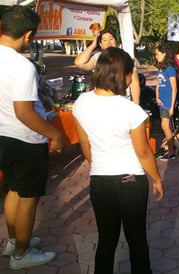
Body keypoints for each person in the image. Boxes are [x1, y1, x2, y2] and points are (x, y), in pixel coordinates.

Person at [73, 47, 164, 274]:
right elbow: (143, 153)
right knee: (136, 241)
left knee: (106, 240)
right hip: (131, 181)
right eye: (130, 74)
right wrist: (157, 179)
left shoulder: (81, 103)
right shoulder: (131, 110)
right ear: (122, 75)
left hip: (99, 181)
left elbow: (85, 146)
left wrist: (102, 163)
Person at [0, 5, 64, 270]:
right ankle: (21, 255)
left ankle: (15, 242)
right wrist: (54, 134)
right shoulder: (22, 66)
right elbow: (25, 112)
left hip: (3, 136)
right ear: (28, 35)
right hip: (25, 139)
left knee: (14, 190)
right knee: (28, 198)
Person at [74, 28, 141, 103]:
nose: (108, 43)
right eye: (104, 40)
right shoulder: (98, 58)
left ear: (116, 41)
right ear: (100, 44)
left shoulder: (125, 57)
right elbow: (79, 63)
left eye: (111, 39)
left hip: (122, 101)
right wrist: (93, 45)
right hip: (102, 101)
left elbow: (134, 82)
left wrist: (136, 104)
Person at [155, 44, 177, 161]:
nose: (156, 56)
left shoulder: (170, 69)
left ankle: (171, 152)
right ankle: (170, 148)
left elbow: (174, 88)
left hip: (168, 102)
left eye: (158, 54)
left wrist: (172, 106)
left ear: (164, 54)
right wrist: (157, 96)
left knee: (164, 125)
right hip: (161, 101)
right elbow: (158, 84)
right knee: (165, 126)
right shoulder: (160, 68)